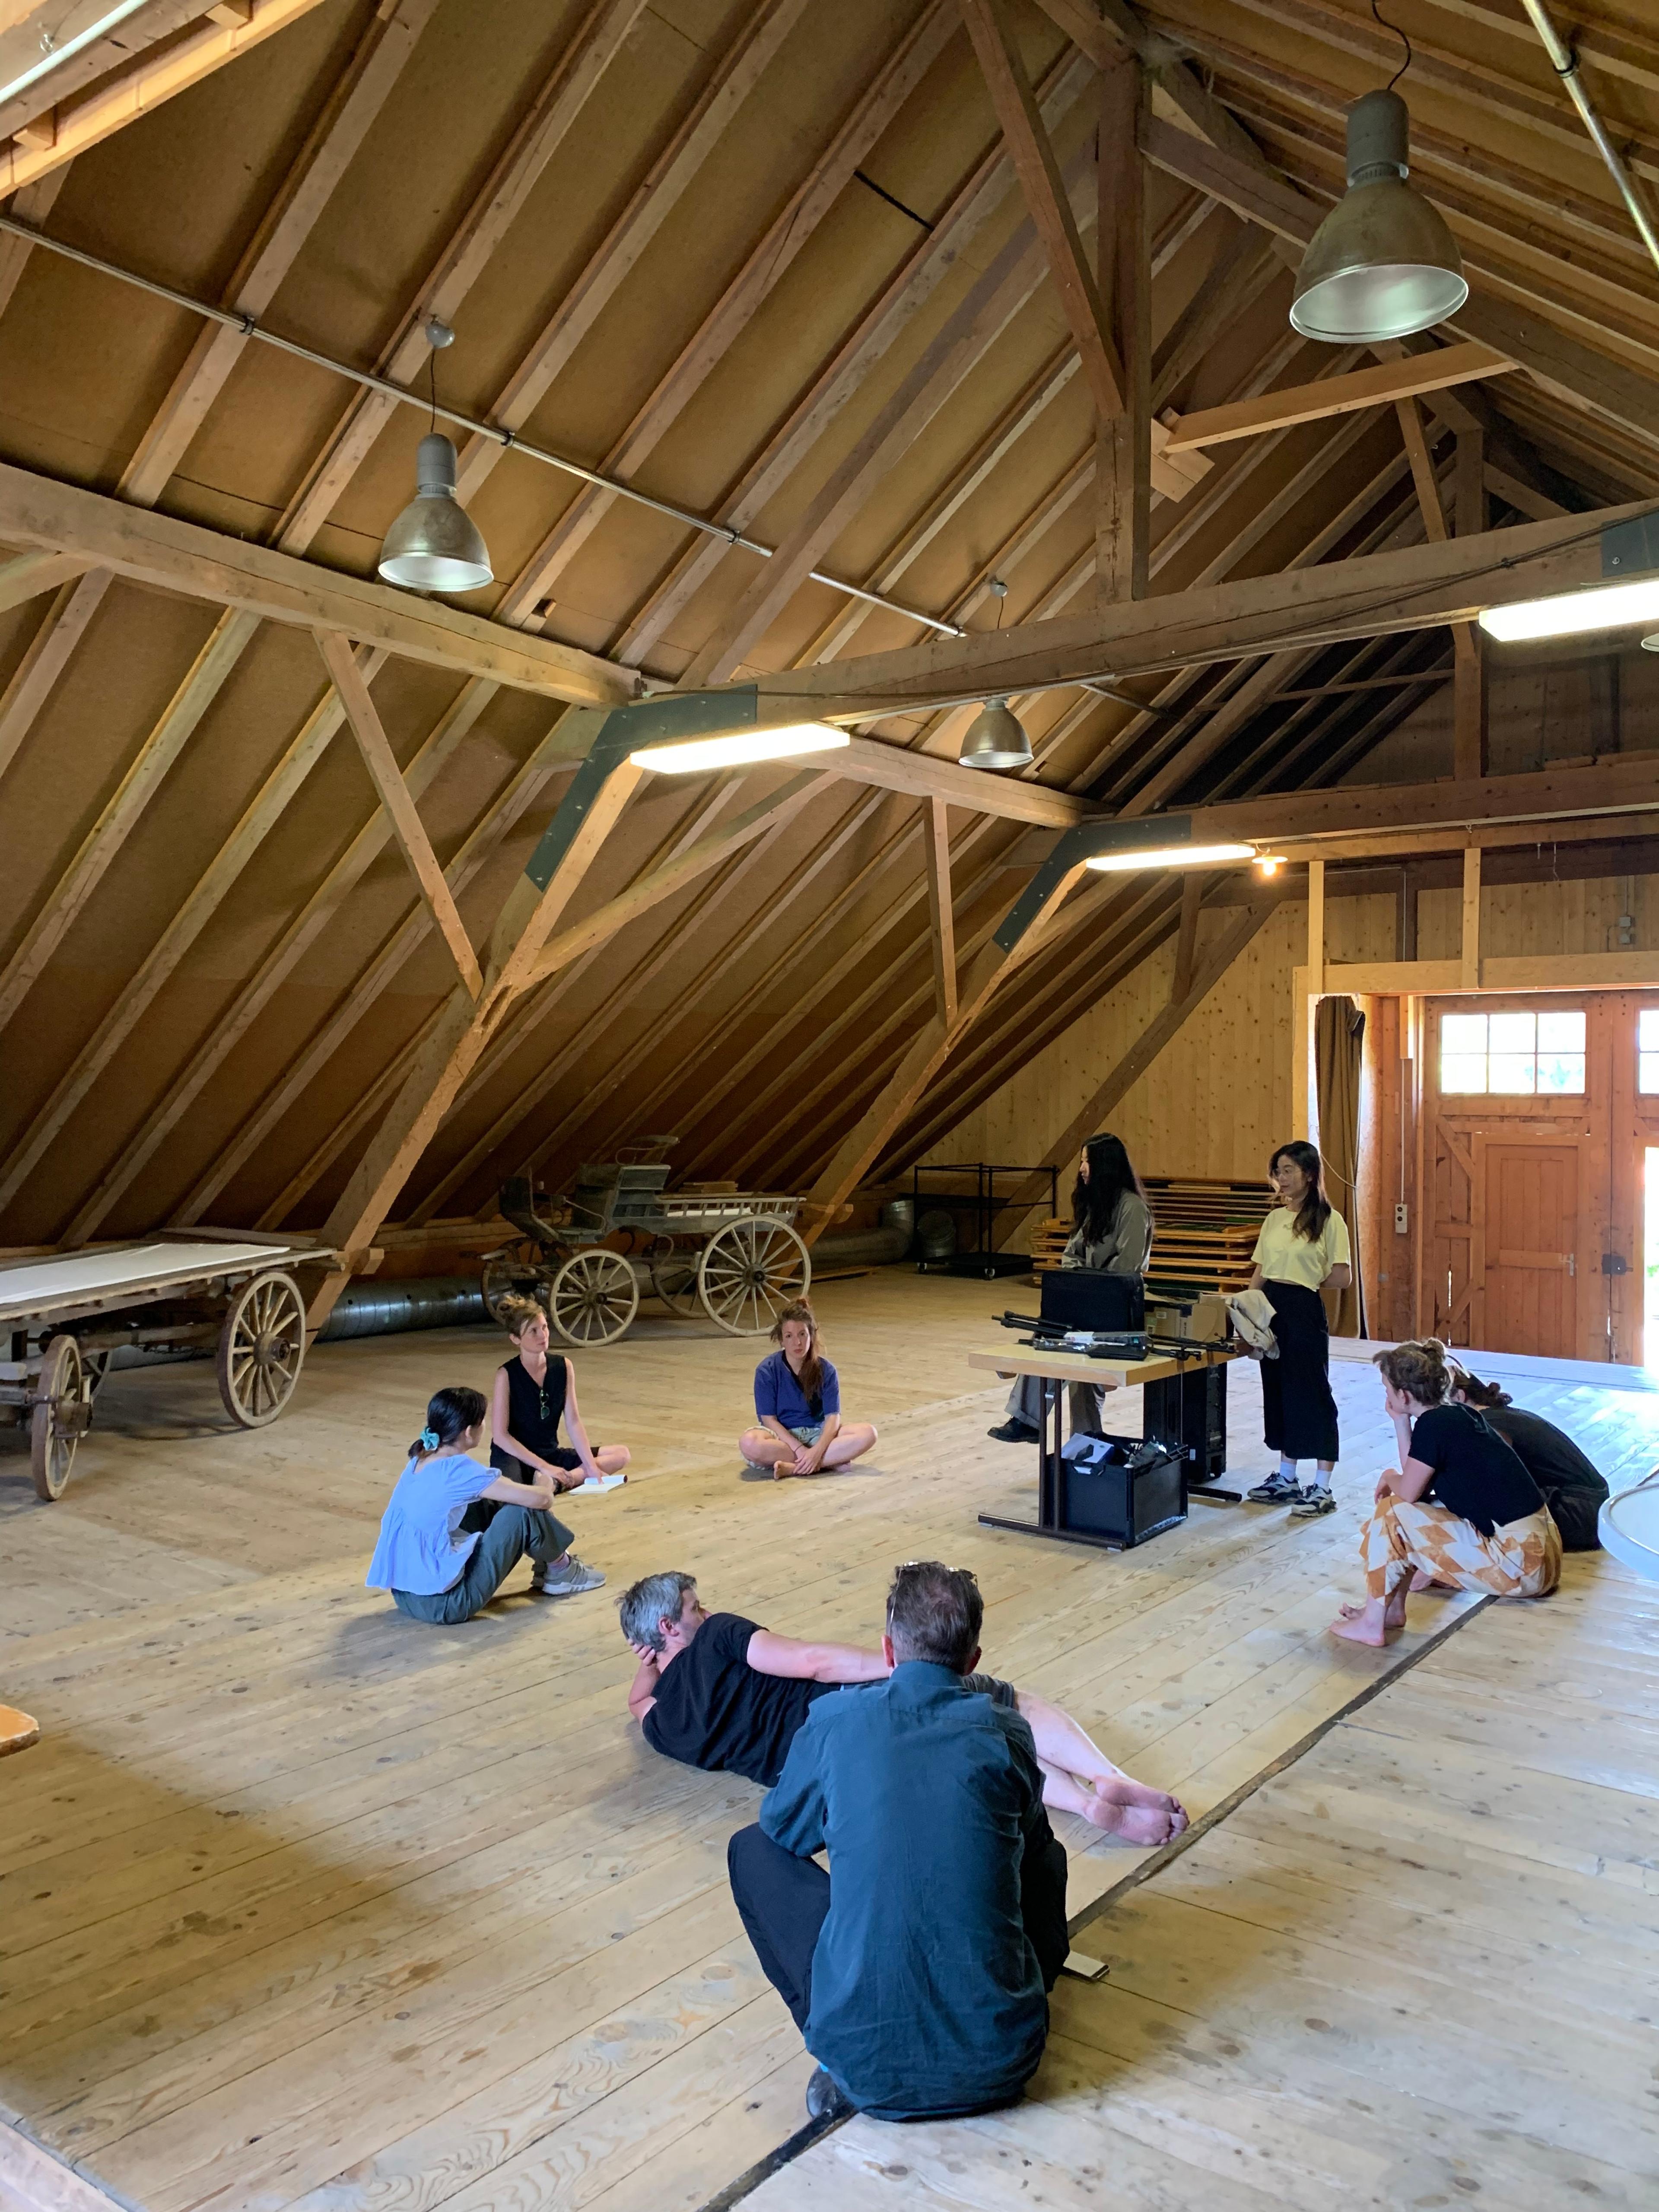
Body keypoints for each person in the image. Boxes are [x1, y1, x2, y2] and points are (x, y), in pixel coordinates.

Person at [726, 1562, 1072, 2124]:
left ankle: (836, 2051)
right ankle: (1015, 1993)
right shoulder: (1005, 1731)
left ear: (888, 1651)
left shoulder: (835, 1720)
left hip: (867, 2070)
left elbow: (783, 1830)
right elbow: (1034, 1859)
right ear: (973, 1662)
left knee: (751, 1848)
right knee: (1042, 1851)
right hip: (1005, 2061)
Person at [618, 1568, 1186, 1843]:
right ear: (670, 1625)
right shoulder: (718, 1636)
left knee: (969, 1736)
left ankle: (1085, 1806)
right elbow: (812, 1662)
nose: (705, 1610)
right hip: (847, 1706)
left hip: (833, 1765)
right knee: (1004, 1704)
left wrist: (651, 1662)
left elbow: (638, 1701)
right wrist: (899, 1664)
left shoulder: (665, 1727)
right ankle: (1106, 1777)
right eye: (694, 1608)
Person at [1331, 1338, 1561, 1647]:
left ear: (1404, 1395)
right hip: (1541, 1559)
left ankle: (1373, 1624)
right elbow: (1416, 1483)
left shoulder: (1436, 1426)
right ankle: (1390, 1611)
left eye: (1387, 1389)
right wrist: (1401, 1422)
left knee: (1394, 1512)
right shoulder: (1456, 1416)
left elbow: (1408, 1492)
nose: (1386, 1395)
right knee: (1400, 1509)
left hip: (1521, 1564)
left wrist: (1389, 1476)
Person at [366, 1386, 605, 1621]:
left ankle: (551, 1564)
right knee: (522, 1511)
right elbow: (542, 1500)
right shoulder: (459, 1470)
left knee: (484, 1504)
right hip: (445, 1605)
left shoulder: (421, 1458)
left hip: (406, 1596)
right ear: (469, 1432)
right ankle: (562, 1570)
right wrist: (545, 1483)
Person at [988, 1133, 1154, 1446]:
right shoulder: (1097, 1207)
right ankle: (1074, 1436)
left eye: (1087, 1161)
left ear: (1104, 1166)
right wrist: (1080, 1280)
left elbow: (1126, 1269)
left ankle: (1059, 1431)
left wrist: (1087, 1281)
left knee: (1066, 1349)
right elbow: (1071, 1255)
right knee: (1049, 1338)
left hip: (1115, 1310)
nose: (1082, 1169)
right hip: (1087, 1303)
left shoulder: (1132, 1209)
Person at [1243, 1140, 1351, 1520]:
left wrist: (1305, 1276)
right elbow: (1261, 1269)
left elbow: (1343, 1276)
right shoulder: (1274, 1219)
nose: (1282, 1178)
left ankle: (1322, 1486)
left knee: (1312, 1392)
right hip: (1270, 1307)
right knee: (1278, 1390)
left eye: (1288, 1170)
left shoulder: (1330, 1220)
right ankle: (1287, 1477)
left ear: (1309, 1174)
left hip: (1303, 1308)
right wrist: (1248, 1310)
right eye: (1278, 1171)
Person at [1449, 1362, 1606, 1551]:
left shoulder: (1490, 1425)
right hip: (1595, 1510)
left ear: (1460, 1397)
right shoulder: (1502, 1415)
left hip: (1579, 1514)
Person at [491, 1294, 630, 1492]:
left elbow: (573, 1422)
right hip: (515, 1455)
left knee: (621, 1455)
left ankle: (561, 1481)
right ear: (516, 1339)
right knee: (510, 1489)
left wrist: (590, 1466)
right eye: (533, 1331)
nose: (543, 1335)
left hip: (549, 1452)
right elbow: (500, 1436)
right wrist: (544, 1466)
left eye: (545, 1327)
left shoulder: (563, 1366)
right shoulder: (506, 1374)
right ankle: (553, 1479)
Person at [738, 1299, 877, 1477]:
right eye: (789, 1336)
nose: (797, 1342)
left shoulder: (827, 1370)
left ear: (811, 1335)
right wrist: (800, 1449)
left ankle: (795, 1468)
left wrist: (817, 1451)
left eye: (802, 1334)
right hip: (783, 1438)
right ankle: (827, 1462)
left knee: (868, 1433)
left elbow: (833, 1418)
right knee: (749, 1443)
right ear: (781, 1340)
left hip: (818, 1434)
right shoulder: (767, 1370)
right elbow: (768, 1419)